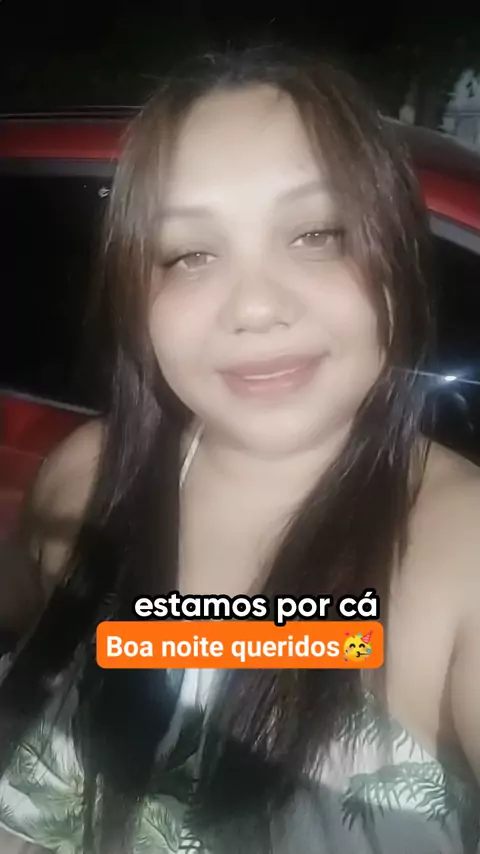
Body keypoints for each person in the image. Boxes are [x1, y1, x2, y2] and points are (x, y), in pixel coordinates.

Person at [0, 45, 479, 854]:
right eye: (191, 254)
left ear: (397, 255)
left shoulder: (461, 553)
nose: (255, 307)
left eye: (317, 234)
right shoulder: (89, 476)